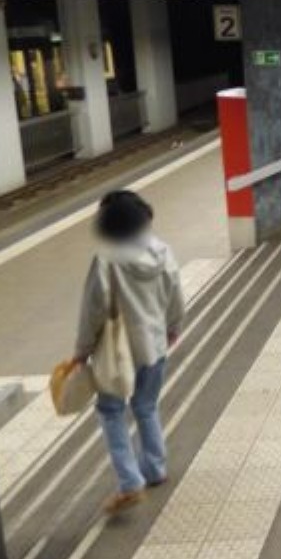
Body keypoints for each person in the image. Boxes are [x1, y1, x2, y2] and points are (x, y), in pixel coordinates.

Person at [75, 190, 184, 514]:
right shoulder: (162, 251)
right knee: (146, 406)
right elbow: (175, 295)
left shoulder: (106, 259)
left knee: (111, 411)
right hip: (154, 345)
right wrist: (173, 327)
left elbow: (92, 310)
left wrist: (81, 350)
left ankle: (130, 481)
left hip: (116, 353)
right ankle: (155, 468)